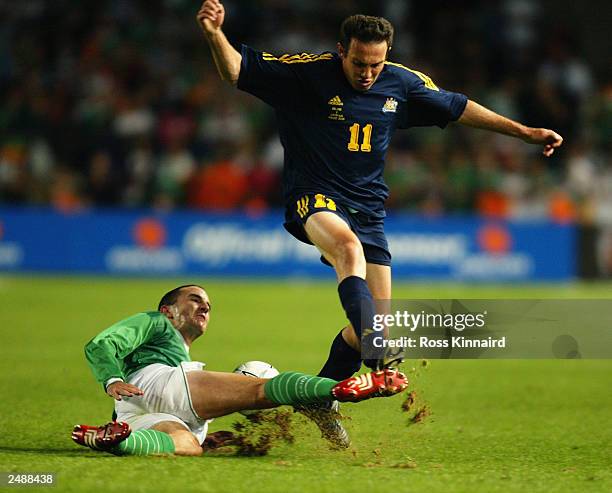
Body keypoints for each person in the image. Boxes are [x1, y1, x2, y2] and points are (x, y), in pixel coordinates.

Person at [196, 1, 563, 445]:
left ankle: (319, 397)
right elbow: (236, 71)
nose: (367, 72)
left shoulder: (401, 82)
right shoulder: (306, 73)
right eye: (358, 62)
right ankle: (377, 350)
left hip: (368, 209)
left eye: (376, 63)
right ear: (340, 51)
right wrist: (216, 34)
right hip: (313, 196)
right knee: (349, 256)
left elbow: (458, 107)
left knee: (369, 324)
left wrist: (524, 132)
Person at [71, 284, 408, 456]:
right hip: (155, 385)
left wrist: (208, 439)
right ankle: (332, 394)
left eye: (208, 305)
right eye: (195, 299)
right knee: (258, 379)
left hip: (132, 415)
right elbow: (101, 344)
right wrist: (112, 378)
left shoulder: (175, 351)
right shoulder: (157, 321)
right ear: (169, 310)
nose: (205, 306)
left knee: (186, 445)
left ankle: (117, 442)